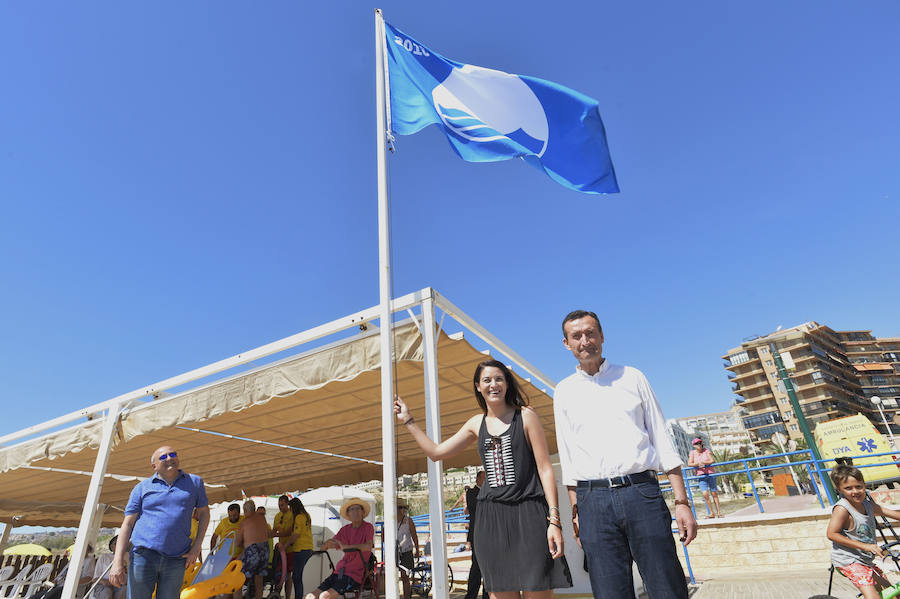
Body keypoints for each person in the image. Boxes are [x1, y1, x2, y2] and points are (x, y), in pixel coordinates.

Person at [395, 359, 571, 598]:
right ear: (478, 386)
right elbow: (436, 453)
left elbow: (545, 469)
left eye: (499, 378)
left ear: (507, 383)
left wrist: (554, 520)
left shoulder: (526, 416)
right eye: (486, 380)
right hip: (491, 522)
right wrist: (409, 421)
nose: (493, 384)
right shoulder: (475, 424)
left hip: (530, 516)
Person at [553, 311, 696, 599]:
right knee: (609, 593)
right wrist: (576, 512)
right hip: (592, 503)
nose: (585, 341)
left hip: (641, 493)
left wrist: (682, 502)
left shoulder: (633, 377)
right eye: (576, 336)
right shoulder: (564, 391)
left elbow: (662, 439)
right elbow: (568, 459)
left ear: (602, 336)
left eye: (590, 333)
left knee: (667, 586)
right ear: (566, 344)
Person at [110, 446, 210, 599]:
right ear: (154, 466)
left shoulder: (194, 483)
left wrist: (197, 547)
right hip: (143, 556)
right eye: (163, 457)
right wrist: (117, 562)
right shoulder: (141, 488)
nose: (170, 458)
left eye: (173, 454)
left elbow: (204, 513)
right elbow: (127, 525)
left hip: (177, 558)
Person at [827, 463, 900, 599]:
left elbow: (890, 512)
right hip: (849, 561)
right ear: (839, 489)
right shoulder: (842, 509)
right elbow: (831, 534)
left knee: (895, 594)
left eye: (858, 486)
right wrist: (866, 546)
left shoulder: (867, 504)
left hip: (865, 560)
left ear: (864, 485)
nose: (855, 491)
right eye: (848, 488)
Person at [304, 498, 374, 599]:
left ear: (363, 512)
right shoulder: (345, 529)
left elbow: (368, 546)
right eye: (352, 509)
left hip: (354, 575)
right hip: (339, 572)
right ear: (348, 514)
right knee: (310, 596)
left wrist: (345, 547)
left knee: (324, 596)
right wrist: (328, 543)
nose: (355, 512)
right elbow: (326, 546)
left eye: (358, 508)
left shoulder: (368, 527)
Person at [235, 500, 271, 599]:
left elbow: (237, 543)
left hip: (252, 551)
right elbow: (269, 534)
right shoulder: (262, 518)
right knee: (259, 581)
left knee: (237, 578)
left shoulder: (244, 522)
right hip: (265, 549)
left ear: (245, 510)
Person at [463, 471, 487, 599]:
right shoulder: (471, 493)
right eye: (484, 477)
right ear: (478, 479)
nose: (486, 480)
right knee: (476, 567)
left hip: (489, 535)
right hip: (477, 535)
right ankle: (471, 595)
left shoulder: (489, 492)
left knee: (488, 568)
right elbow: (474, 508)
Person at [285, 498, 314, 599]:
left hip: (301, 549)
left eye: (291, 508)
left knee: (296, 577)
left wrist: (285, 546)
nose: (290, 510)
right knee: (297, 576)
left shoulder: (299, 517)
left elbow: (295, 535)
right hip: (308, 548)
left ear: (294, 507)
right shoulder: (307, 516)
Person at [687, 438, 722, 518]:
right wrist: (698, 464)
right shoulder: (692, 453)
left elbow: (712, 460)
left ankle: (719, 512)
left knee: (714, 493)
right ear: (694, 445)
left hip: (710, 474)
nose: (698, 444)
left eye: (699, 443)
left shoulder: (706, 450)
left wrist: (704, 463)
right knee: (705, 494)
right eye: (696, 443)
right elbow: (689, 463)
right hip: (701, 475)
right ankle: (711, 513)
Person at [272, 495, 295, 599]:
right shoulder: (277, 516)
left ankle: (287, 596)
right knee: (279, 573)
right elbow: (274, 530)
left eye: (282, 505)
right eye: (279, 505)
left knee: (288, 574)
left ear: (287, 504)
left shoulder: (293, 515)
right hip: (281, 550)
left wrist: (276, 535)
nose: (280, 507)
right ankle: (277, 594)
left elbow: (290, 532)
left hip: (291, 548)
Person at [396, 501, 419, 599]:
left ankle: (406, 597)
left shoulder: (408, 521)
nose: (402, 510)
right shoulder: (389, 522)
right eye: (399, 507)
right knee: (394, 576)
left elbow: (414, 536)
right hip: (394, 552)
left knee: (405, 576)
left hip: (406, 551)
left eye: (403, 508)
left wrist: (417, 549)